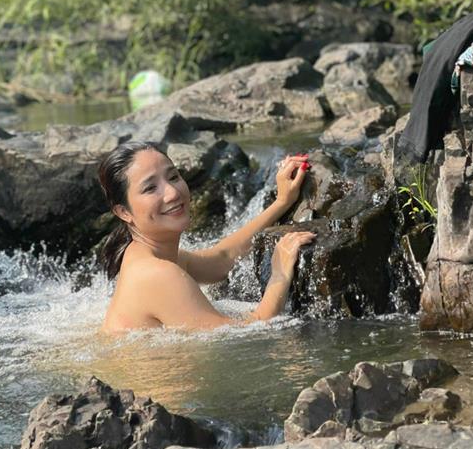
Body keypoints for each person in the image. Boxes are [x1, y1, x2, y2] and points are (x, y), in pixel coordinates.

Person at [99, 140, 315, 332]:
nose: (173, 193)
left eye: (173, 177)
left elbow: (223, 258)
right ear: (123, 212)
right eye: (150, 188)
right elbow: (249, 331)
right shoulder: (157, 273)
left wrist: (282, 202)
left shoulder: (147, 255)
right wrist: (279, 275)